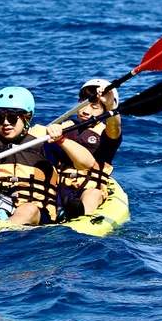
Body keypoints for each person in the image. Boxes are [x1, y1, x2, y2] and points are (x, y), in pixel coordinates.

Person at [0, 86, 96, 226]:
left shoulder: (46, 142)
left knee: (27, 210)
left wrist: (62, 140)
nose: (5, 123)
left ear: (27, 117)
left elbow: (87, 163)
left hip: (36, 212)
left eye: (12, 118)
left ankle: (1, 236)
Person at [54, 79, 123, 219]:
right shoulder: (65, 126)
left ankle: (81, 215)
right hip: (61, 186)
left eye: (94, 107)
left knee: (93, 194)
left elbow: (115, 127)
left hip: (91, 187)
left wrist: (110, 105)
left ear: (105, 111)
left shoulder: (107, 132)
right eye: (83, 104)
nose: (85, 111)